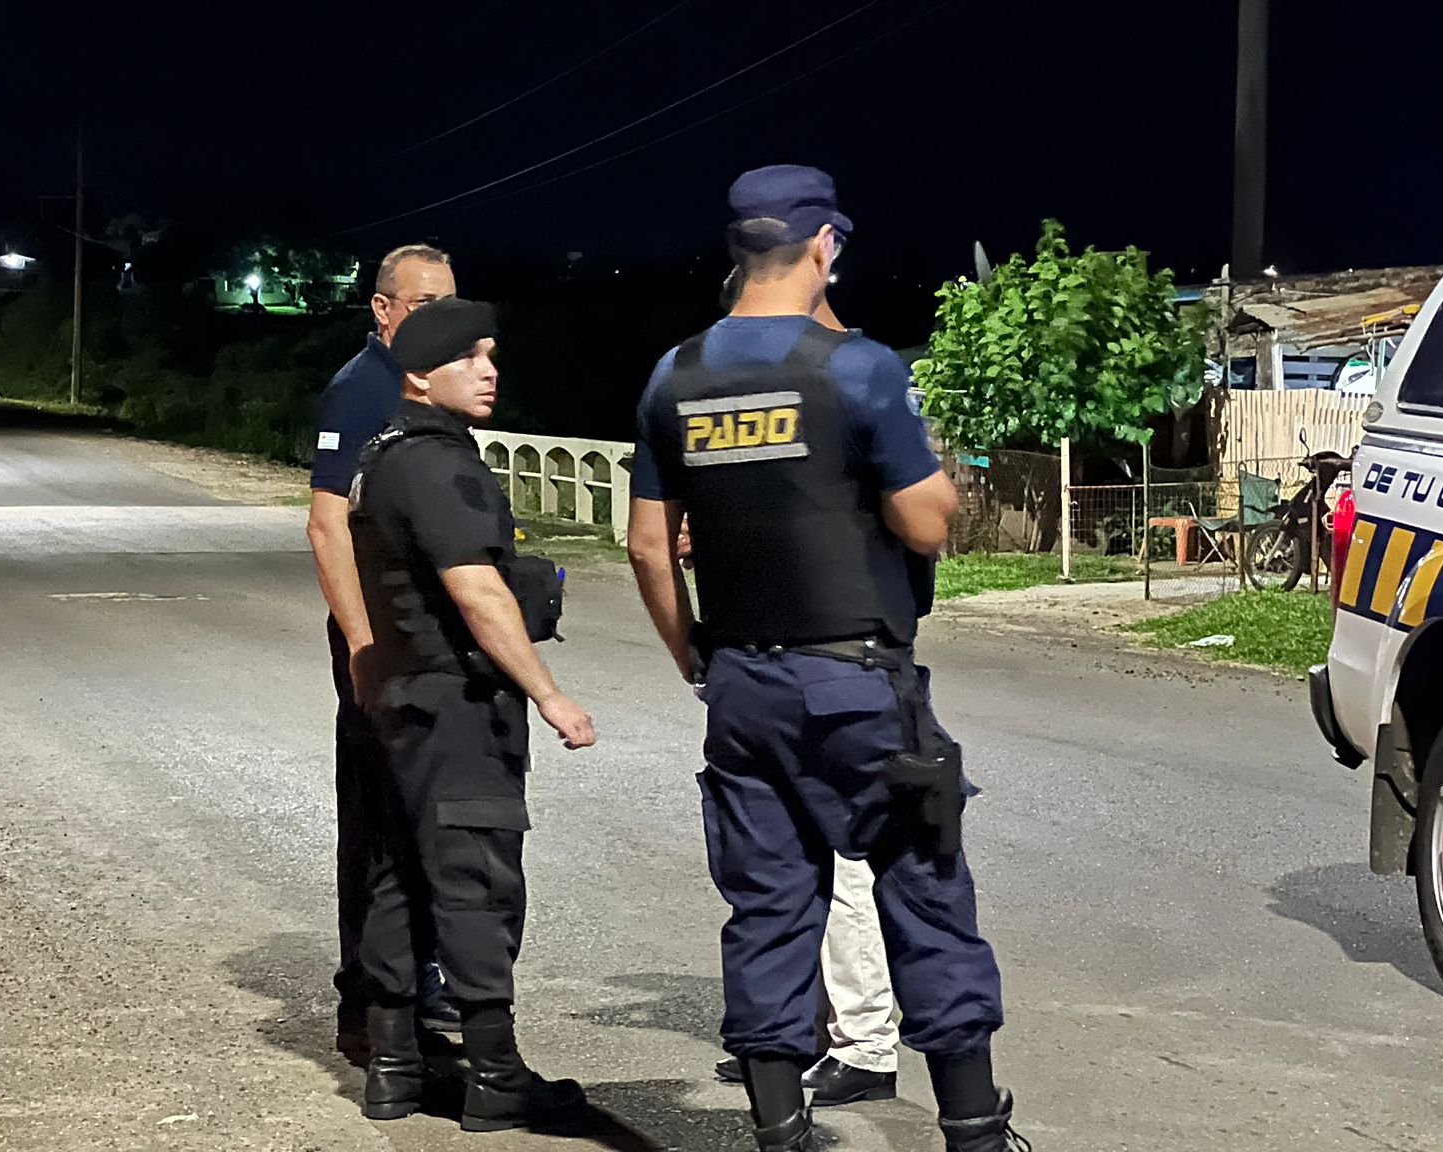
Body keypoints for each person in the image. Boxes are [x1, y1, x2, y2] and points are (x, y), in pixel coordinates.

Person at [626, 167, 1021, 1152]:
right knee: (922, 893)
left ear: (736, 251)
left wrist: (695, 659)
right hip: (857, 686)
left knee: (766, 906)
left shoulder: (672, 376)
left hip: (743, 689)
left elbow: (644, 544)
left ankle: (778, 1132)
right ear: (821, 247)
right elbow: (925, 525)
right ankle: (972, 1131)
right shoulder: (859, 369)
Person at [348, 297, 594, 1132]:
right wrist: (549, 693)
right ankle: (495, 1081)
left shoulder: (384, 455)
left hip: (396, 701)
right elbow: (477, 589)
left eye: (491, 355)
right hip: (456, 705)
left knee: (396, 878)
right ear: (421, 374)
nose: (489, 371)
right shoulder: (438, 465)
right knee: (474, 884)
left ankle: (395, 1072)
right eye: (469, 359)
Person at [707, 266, 903, 1110]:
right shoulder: (829, 387)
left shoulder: (848, 387)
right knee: (787, 869)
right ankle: (792, 1040)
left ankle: (866, 1043)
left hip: (841, 665)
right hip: (789, 664)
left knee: (850, 866)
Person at [306, 244, 462, 1060]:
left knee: (424, 818)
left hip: (427, 641)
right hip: (380, 642)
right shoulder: (362, 388)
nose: (441, 317)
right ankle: (367, 1007)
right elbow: (326, 523)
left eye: (451, 302)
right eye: (424, 302)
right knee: (377, 817)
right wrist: (364, 647)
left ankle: (417, 987)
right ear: (383, 308)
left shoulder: (428, 384)